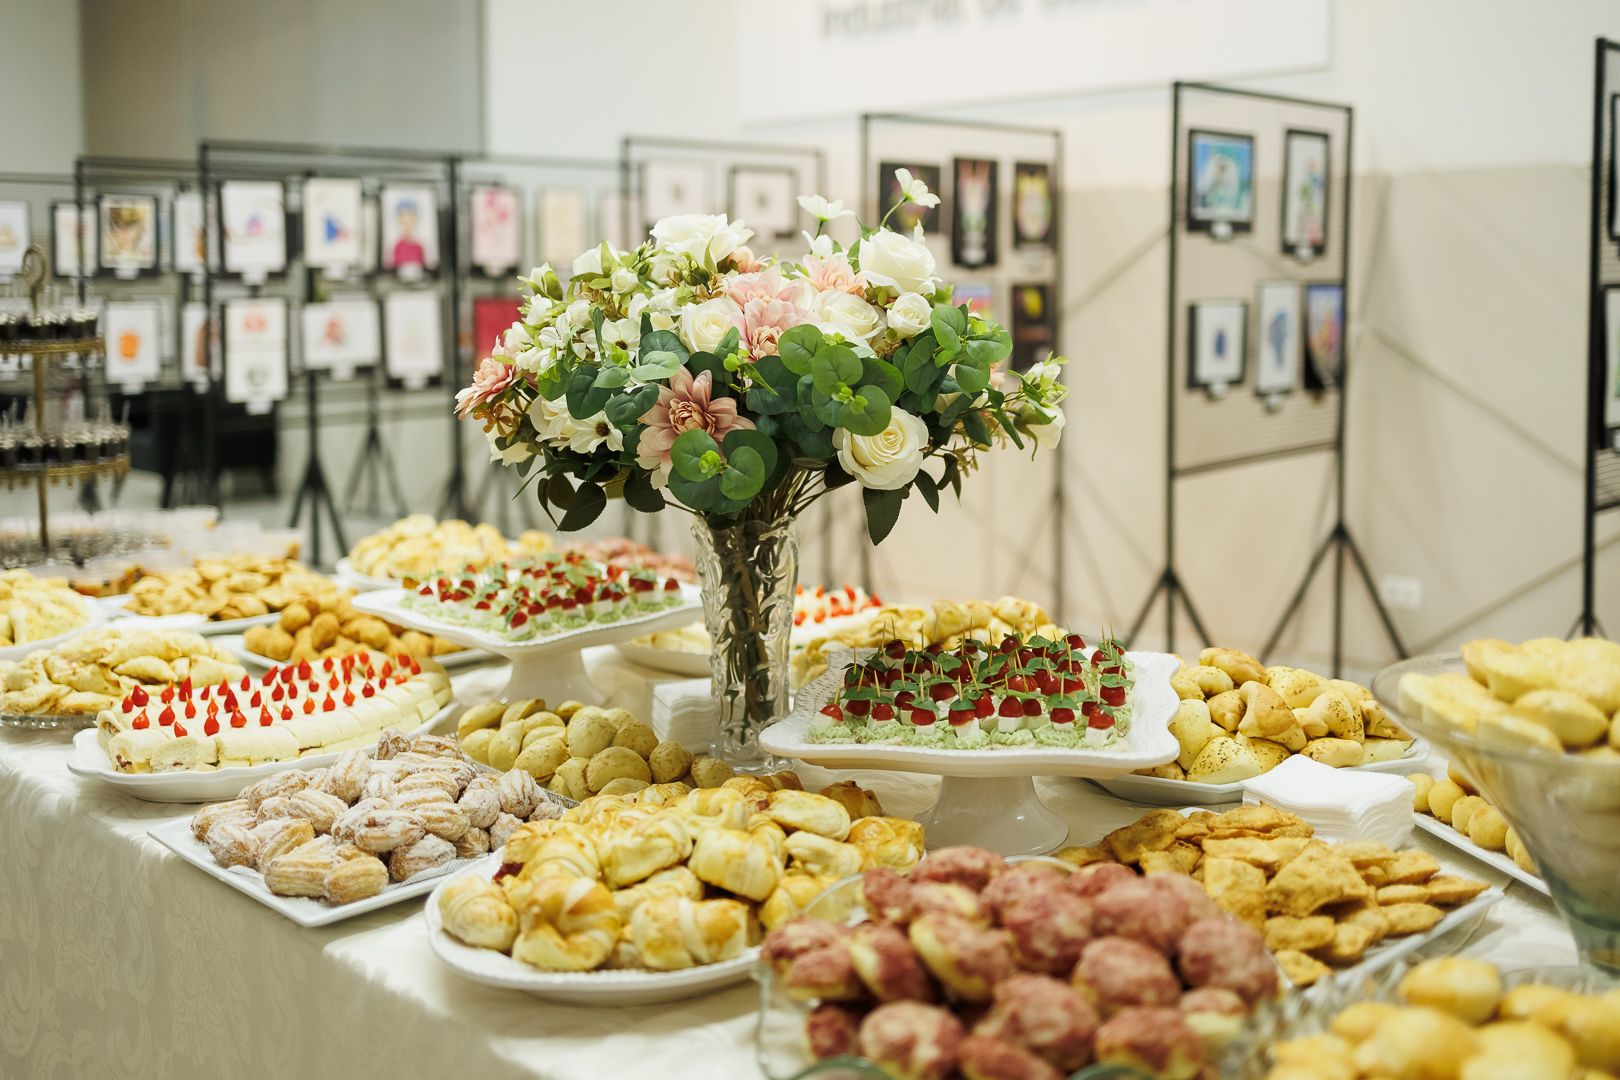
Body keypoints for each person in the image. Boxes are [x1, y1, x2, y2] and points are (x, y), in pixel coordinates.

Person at [391, 199, 426, 268]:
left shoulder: (419, 246)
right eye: (404, 222)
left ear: (415, 221)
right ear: (399, 222)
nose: (407, 226)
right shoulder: (397, 246)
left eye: (410, 223)